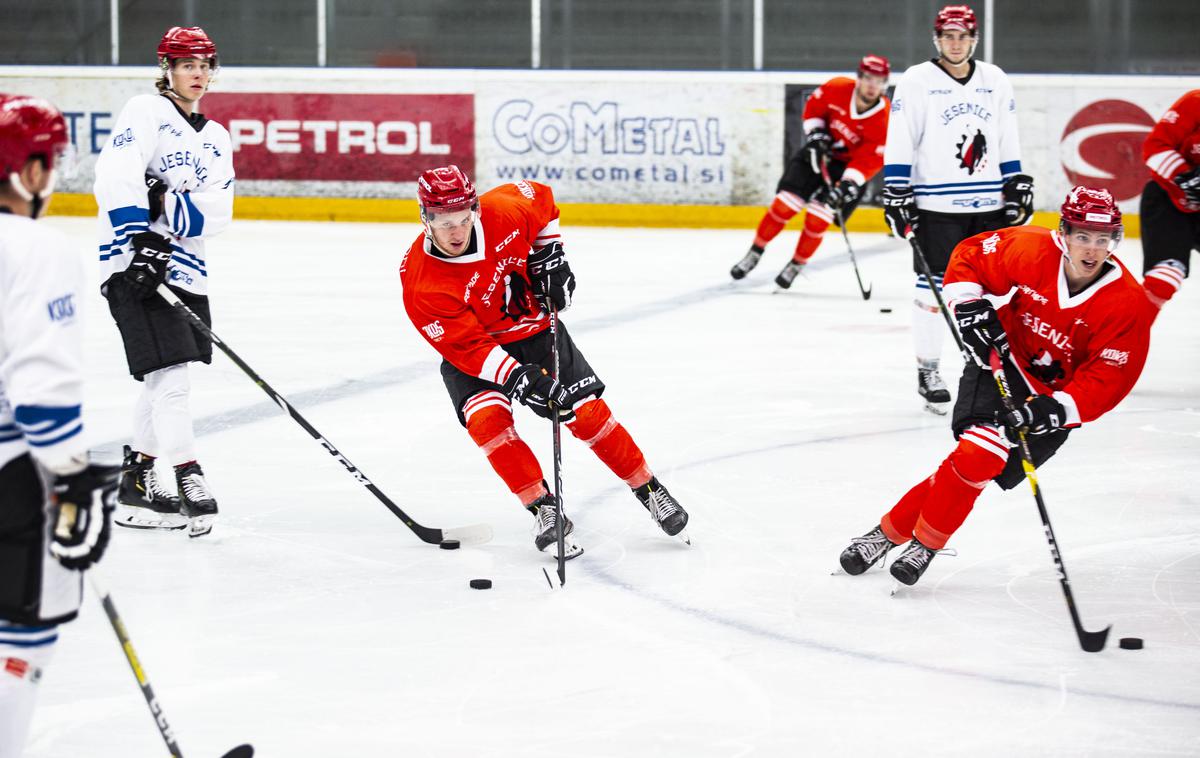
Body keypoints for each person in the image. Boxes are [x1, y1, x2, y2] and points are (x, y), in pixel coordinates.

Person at [838, 187, 1150, 587]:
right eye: (1083, 236)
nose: (1092, 249)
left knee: (973, 465)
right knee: (979, 454)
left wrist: (1057, 409)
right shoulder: (1031, 249)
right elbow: (970, 256)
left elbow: (1111, 377)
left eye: (1102, 238)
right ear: (1064, 234)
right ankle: (925, 545)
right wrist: (968, 305)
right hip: (1001, 360)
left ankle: (884, 535)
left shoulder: (1126, 303)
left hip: (1054, 399)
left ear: (1114, 240)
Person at [400, 166, 689, 557]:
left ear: (475, 208)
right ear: (426, 217)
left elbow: (543, 199)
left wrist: (551, 255)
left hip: (535, 332)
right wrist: (522, 380)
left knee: (586, 415)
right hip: (477, 352)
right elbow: (468, 349)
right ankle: (543, 507)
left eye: (464, 218)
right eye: (445, 222)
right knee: (488, 423)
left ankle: (650, 490)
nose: (456, 232)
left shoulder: (504, 211)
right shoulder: (421, 280)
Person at [0, 94, 120, 758]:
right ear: (30, 169)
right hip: (12, 471)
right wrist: (71, 481)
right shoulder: (34, 246)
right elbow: (41, 386)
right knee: (22, 638)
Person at [94, 26, 235, 538]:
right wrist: (138, 240)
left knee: (162, 379)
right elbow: (116, 174)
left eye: (204, 65)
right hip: (134, 266)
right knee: (172, 379)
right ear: (167, 68)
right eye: (187, 65)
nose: (197, 74)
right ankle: (187, 474)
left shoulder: (216, 137)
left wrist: (166, 204)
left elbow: (219, 211)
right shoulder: (145, 111)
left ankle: (136, 482)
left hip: (186, 269)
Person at [881, 4, 1033, 414]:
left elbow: (1006, 137)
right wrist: (896, 190)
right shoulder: (917, 80)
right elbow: (901, 138)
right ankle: (928, 369)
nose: (955, 42)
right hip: (936, 206)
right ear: (937, 38)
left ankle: (998, 369)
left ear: (974, 38)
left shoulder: (994, 79)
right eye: (948, 35)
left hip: (988, 205)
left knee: (996, 292)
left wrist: (1016, 183)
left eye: (963, 35)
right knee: (930, 290)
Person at [730, 54, 891, 288]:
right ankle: (754, 252)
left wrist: (847, 184)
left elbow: (870, 160)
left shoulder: (884, 119)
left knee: (818, 219)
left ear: (885, 83)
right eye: (868, 78)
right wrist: (816, 135)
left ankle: (796, 264)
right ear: (859, 77)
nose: (872, 85)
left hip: (846, 171)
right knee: (783, 206)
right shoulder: (837, 88)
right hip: (818, 154)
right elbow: (814, 109)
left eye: (878, 80)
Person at [1139, 89, 1199, 322]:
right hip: (1168, 199)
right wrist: (1185, 176)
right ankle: (1125, 336)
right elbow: (1154, 146)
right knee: (1164, 277)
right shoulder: (1195, 102)